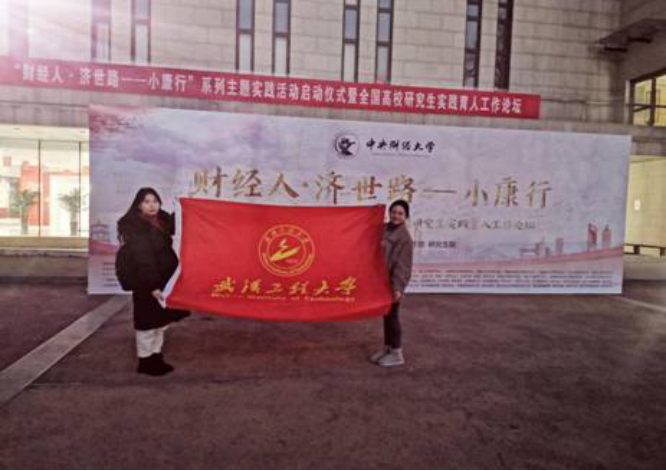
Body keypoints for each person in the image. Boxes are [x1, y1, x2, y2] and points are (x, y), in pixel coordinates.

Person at [117, 188, 189, 376]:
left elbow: (179, 223)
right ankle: (145, 361)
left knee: (160, 323)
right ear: (139, 205)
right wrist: (153, 286)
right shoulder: (136, 227)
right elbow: (144, 260)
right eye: (147, 201)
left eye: (155, 201)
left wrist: (186, 205)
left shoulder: (161, 221)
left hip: (162, 282)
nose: (152, 205)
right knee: (147, 325)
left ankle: (156, 357)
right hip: (146, 284)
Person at [370, 200, 414, 367]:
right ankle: (387, 348)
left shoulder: (405, 239)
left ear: (406, 216)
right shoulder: (385, 228)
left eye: (400, 213)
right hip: (381, 281)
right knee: (387, 315)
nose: (396, 216)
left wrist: (398, 288)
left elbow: (403, 266)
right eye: (393, 212)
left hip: (392, 284)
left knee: (392, 317)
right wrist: (372, 212)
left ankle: (397, 352)